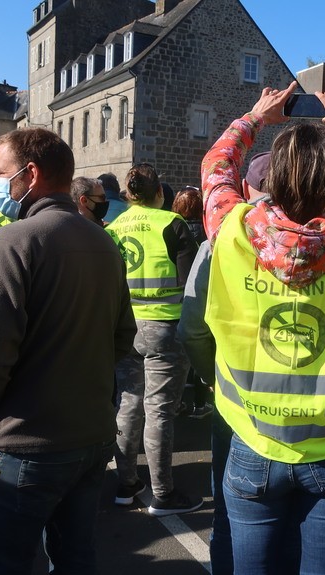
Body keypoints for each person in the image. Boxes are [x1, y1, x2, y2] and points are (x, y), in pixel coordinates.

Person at [200, 81, 325, 574]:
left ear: (272, 178)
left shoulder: (231, 228)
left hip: (254, 436)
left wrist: (253, 118)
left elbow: (217, 166)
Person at [0, 128, 136, 574]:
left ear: (30, 174)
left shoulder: (14, 240)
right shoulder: (104, 243)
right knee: (76, 558)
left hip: (26, 444)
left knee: (2, 563)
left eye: (1, 174)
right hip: (90, 438)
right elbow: (121, 337)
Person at [178, 155, 275, 575]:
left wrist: (209, 376)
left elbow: (193, 330)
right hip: (315, 407)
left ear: (249, 189)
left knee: (230, 515)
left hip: (234, 395)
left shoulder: (220, 243)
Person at [105, 163, 199, 515]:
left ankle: (126, 484)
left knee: (127, 405)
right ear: (159, 191)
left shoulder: (113, 228)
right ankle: (163, 493)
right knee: (159, 411)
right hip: (165, 328)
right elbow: (190, 283)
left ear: (129, 194)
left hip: (127, 327)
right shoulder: (171, 224)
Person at [171, 185, 213, 419]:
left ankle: (178, 402)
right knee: (202, 343)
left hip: (177, 300)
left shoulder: (176, 229)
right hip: (204, 298)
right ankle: (200, 403)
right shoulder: (209, 232)